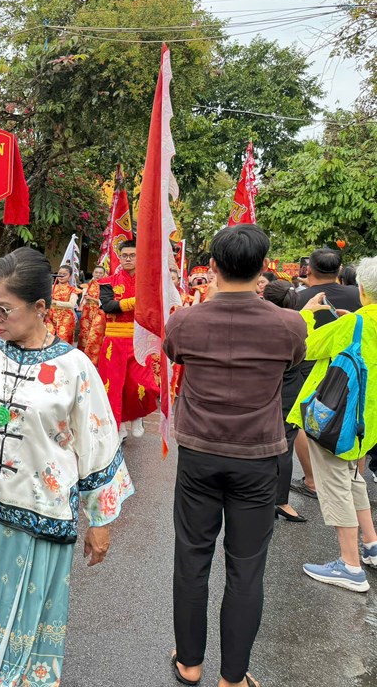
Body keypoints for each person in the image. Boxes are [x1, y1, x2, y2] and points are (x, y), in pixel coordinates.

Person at [0, 247, 132, 687]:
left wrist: (101, 520)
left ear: (40, 308)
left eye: (5, 309)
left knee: (33, 621)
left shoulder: (74, 369)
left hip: (43, 514)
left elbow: (98, 446)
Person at [163, 225, 306, 687]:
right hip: (257, 457)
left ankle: (190, 662)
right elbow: (291, 362)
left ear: (213, 268)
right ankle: (233, 676)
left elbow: (173, 354)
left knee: (192, 557)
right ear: (263, 267)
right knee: (246, 566)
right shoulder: (288, 324)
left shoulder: (186, 319)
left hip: (200, 455)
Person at [291, 257, 377, 592]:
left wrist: (308, 314)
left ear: (362, 290)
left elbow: (303, 347)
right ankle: (370, 544)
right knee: (354, 478)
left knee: (337, 484)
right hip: (366, 421)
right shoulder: (355, 323)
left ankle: (350, 565)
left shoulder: (354, 324)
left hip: (337, 419)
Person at [289, 248, 363, 500]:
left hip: (310, 366)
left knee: (303, 416)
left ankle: (311, 480)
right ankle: (353, 478)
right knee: (354, 413)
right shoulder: (358, 295)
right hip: (352, 366)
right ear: (340, 271)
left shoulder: (298, 298)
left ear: (308, 269)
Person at [97, 241, 158, 439]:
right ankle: (119, 426)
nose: (129, 258)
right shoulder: (107, 282)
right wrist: (136, 302)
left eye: (133, 255)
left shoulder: (148, 282)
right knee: (113, 386)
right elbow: (108, 306)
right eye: (125, 255)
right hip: (114, 341)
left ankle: (136, 416)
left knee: (143, 385)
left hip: (140, 339)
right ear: (119, 257)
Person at [262, 279, 308, 522]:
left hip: (261, 392)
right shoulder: (297, 325)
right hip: (288, 393)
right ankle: (279, 501)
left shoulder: (260, 324)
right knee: (283, 447)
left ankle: (267, 498)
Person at [77, 265, 107, 366]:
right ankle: (82, 359)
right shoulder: (88, 284)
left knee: (95, 336)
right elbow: (83, 299)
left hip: (99, 312)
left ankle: (93, 361)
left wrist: (92, 298)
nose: (98, 275)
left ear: (104, 274)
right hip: (87, 311)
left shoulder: (106, 285)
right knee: (84, 334)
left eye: (100, 273)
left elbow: (105, 301)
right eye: (96, 272)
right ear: (93, 273)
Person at [47, 264, 79, 344]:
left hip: (66, 318)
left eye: (64, 275)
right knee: (47, 339)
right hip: (50, 317)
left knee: (62, 342)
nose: (61, 276)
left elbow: (71, 304)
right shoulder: (51, 287)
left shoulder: (73, 290)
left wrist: (55, 302)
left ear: (70, 276)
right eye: (59, 273)